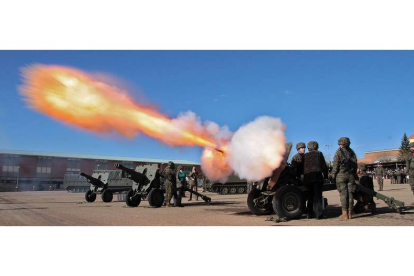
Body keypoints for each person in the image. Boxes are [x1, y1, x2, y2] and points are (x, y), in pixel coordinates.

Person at [331, 137, 358, 219]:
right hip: (350, 176)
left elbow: (335, 166)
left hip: (341, 175)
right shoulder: (352, 152)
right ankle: (350, 213)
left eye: (340, 144)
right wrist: (354, 174)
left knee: (343, 194)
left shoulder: (338, 153)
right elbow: (355, 164)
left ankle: (344, 213)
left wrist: (333, 175)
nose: (339, 146)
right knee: (350, 194)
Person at [303, 141, 328, 219]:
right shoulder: (319, 154)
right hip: (317, 177)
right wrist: (326, 177)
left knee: (310, 197)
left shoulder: (305, 155)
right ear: (317, 146)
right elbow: (324, 166)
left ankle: (309, 214)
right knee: (317, 197)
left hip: (307, 178)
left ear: (308, 147)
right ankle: (318, 214)